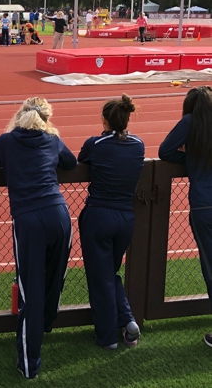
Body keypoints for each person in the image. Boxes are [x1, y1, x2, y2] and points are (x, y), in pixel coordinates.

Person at [0, 97, 76, 379]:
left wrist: (7, 163)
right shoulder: (52, 140)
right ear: (47, 118)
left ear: (19, 115)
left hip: (29, 221)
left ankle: (29, 363)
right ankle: (45, 324)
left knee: (31, 290)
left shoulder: (7, 141)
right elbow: (71, 162)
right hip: (59, 216)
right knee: (54, 279)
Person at [78, 94, 144, 350]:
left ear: (104, 120)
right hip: (125, 218)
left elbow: (83, 159)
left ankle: (107, 338)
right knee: (109, 274)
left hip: (98, 216)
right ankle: (127, 321)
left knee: (100, 278)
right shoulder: (138, 145)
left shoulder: (96, 144)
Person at [158, 86, 212, 348]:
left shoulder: (191, 122)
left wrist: (191, 158)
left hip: (204, 206)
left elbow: (165, 151)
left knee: (211, 268)